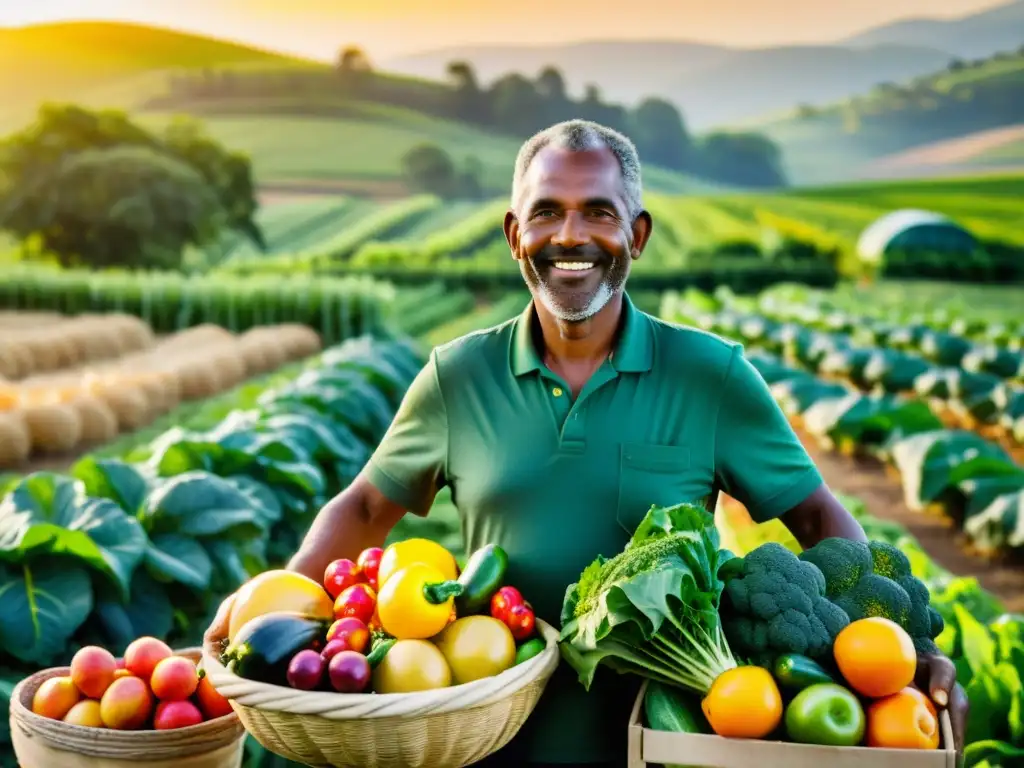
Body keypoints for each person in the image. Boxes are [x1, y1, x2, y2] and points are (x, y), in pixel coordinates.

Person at [205, 119, 968, 766]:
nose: (571, 237)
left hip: (664, 740)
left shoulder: (711, 376)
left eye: (599, 213)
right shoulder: (459, 376)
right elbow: (368, 504)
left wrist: (891, 655)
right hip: (486, 738)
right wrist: (269, 610)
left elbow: (815, 518)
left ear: (635, 234)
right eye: (546, 213)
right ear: (515, 234)